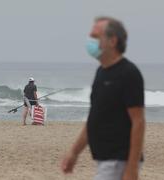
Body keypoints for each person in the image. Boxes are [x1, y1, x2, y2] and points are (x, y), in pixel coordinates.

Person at [61, 16, 145, 180]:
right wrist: (74, 152)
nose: (89, 41)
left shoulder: (128, 73)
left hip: (119, 162)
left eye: (95, 36)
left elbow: (138, 121)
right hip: (105, 161)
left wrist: (132, 167)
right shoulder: (101, 73)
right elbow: (95, 119)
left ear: (112, 41)